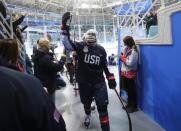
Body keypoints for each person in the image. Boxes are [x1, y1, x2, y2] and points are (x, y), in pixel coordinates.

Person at [61, 12, 116, 131]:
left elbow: (105, 65)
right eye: (89, 35)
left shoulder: (101, 49)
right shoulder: (80, 46)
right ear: (85, 37)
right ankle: (87, 115)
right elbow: (67, 44)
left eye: (93, 35)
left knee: (102, 108)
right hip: (84, 82)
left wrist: (110, 78)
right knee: (86, 103)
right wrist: (64, 27)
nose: (91, 37)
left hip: (99, 83)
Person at [0, 57, 66, 131]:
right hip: (48, 86)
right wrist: (62, 60)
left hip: (42, 83)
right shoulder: (26, 83)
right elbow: (56, 120)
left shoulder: (36, 58)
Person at [33, 38, 66, 103]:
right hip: (48, 83)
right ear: (45, 46)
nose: (50, 46)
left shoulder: (37, 54)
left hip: (41, 80)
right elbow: (56, 68)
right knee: (51, 102)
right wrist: (62, 60)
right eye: (48, 45)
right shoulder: (45, 58)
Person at [120, 36, 139, 113]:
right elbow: (124, 57)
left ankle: (134, 106)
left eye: (124, 42)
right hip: (125, 72)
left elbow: (130, 63)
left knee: (131, 90)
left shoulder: (134, 51)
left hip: (130, 73)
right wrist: (123, 57)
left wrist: (123, 58)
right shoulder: (127, 49)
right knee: (128, 89)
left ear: (128, 42)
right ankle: (129, 104)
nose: (123, 43)